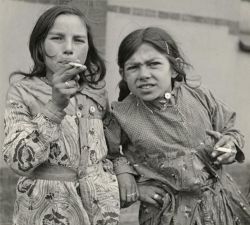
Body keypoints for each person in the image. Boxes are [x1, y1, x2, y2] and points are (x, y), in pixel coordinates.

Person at [104, 27, 250, 225]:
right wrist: (133, 184)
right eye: (133, 67)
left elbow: (230, 129)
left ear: (174, 68)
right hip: (166, 214)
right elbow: (108, 156)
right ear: (123, 73)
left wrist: (230, 145)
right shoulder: (120, 115)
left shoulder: (200, 96)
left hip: (221, 206)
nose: (144, 74)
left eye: (154, 64)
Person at [2, 5, 119, 225]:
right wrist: (55, 106)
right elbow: (18, 161)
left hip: (98, 212)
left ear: (88, 48)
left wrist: (122, 173)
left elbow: (113, 148)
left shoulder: (97, 93)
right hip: (47, 212)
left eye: (78, 40)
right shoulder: (23, 92)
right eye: (57, 38)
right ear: (40, 46)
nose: (68, 48)